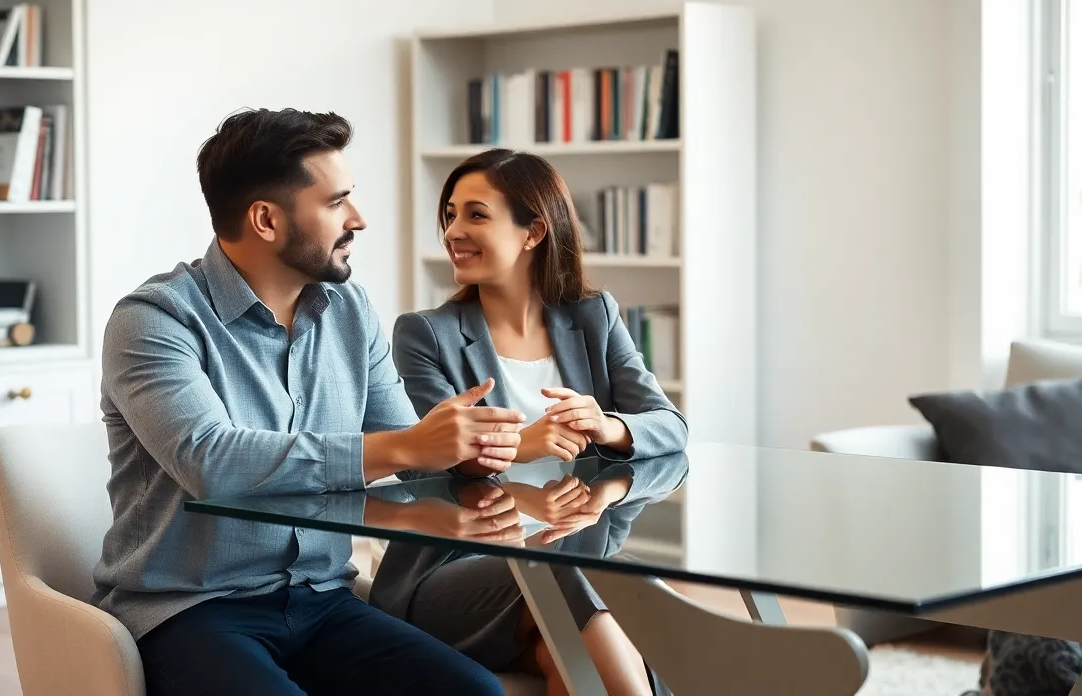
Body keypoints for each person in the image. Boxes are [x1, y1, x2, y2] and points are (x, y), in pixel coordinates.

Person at [90, 109, 527, 696]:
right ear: (266, 219)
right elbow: (211, 461)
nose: (359, 219)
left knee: (477, 692)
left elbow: (404, 444)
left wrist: (467, 447)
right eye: (336, 202)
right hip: (191, 609)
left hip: (323, 599)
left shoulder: (348, 311)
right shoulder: (154, 320)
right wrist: (406, 445)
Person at [371, 148, 688, 696]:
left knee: (570, 657)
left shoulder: (594, 317)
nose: (452, 231)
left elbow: (672, 428)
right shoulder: (425, 334)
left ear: (533, 231)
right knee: (585, 584)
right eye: (449, 214)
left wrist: (607, 425)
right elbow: (426, 458)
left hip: (564, 569)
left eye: (475, 214)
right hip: (452, 571)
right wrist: (523, 443)